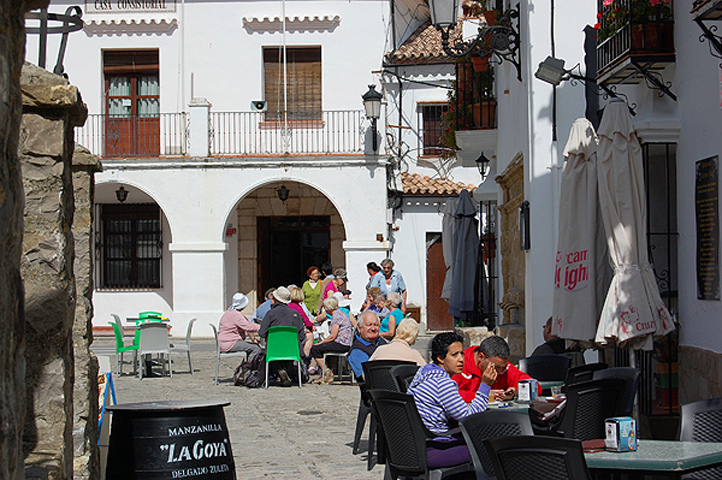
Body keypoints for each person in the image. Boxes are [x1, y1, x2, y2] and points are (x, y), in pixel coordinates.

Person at [407, 332, 496, 469]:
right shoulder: (442, 382)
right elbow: (469, 417)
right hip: (432, 447)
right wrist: (485, 385)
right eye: (454, 355)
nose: (461, 359)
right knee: (488, 448)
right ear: (440, 358)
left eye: (462, 354)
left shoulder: (423, 372)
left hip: (413, 446)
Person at [453, 335, 538, 403]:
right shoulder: (459, 364)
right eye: (496, 367)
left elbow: (534, 387)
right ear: (481, 357)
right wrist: (485, 394)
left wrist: (515, 392)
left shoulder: (502, 365)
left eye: (503, 367)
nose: (500, 371)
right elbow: (449, 395)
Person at [259, 287, 307, 386]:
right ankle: (285, 372)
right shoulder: (295, 313)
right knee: (289, 350)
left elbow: (262, 333)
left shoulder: (270, 313)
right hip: (292, 349)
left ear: (275, 299)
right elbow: (302, 335)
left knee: (276, 349)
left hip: (274, 349)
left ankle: (280, 371)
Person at [309, 296, 354, 383]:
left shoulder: (336, 316)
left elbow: (333, 336)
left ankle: (327, 372)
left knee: (315, 349)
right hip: (344, 343)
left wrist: (321, 343)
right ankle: (324, 373)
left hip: (341, 344)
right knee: (321, 348)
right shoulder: (340, 314)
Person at [217, 292, 263, 362]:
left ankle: (248, 365)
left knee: (250, 347)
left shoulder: (231, 311)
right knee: (256, 348)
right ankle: (249, 367)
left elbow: (247, 323)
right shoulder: (236, 315)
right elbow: (247, 326)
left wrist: (258, 326)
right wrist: (260, 327)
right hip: (229, 343)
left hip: (225, 342)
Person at [347, 310, 388, 381]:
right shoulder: (357, 350)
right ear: (359, 328)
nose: (373, 328)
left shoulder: (383, 342)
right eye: (369, 325)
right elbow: (368, 376)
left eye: (376, 325)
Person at [288, 286, 315, 358]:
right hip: (296, 333)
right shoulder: (298, 308)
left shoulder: (287, 306)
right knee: (310, 336)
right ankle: (305, 356)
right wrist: (310, 327)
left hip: (287, 332)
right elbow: (307, 322)